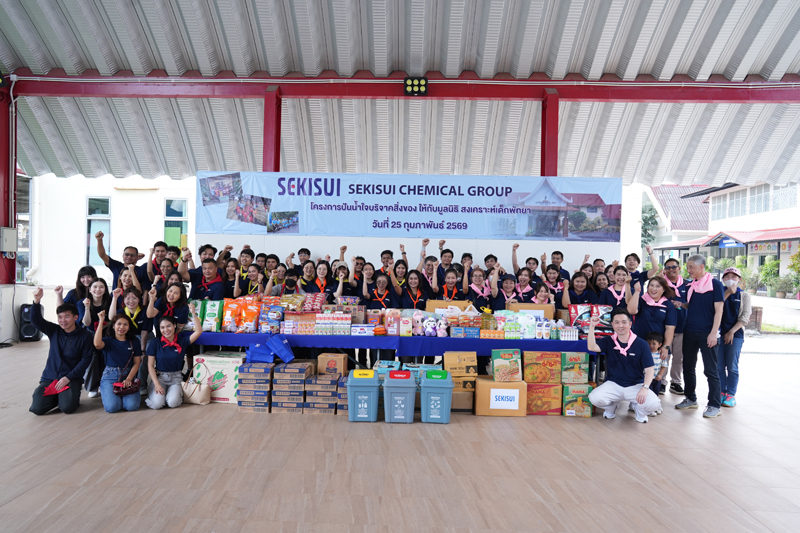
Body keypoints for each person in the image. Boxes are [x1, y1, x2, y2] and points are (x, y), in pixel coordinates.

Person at [29, 288, 95, 416]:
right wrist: (36, 302)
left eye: (67, 317)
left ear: (75, 317)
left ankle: (66, 397)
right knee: (37, 409)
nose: (62, 320)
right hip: (50, 378)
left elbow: (86, 360)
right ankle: (58, 397)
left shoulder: (86, 336)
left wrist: (68, 377)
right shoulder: (54, 330)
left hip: (71, 378)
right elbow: (35, 321)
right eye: (59, 317)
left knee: (67, 408)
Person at [587, 308, 659, 423]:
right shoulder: (608, 341)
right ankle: (611, 407)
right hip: (613, 384)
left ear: (630, 324)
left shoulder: (642, 344)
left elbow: (649, 369)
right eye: (617, 322)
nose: (620, 325)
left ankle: (639, 411)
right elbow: (592, 347)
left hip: (635, 385)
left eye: (624, 322)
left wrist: (645, 388)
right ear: (612, 325)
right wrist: (592, 326)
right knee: (595, 398)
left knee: (654, 404)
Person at [675, 254, 724, 418]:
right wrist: (682, 304)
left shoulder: (715, 285)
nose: (688, 270)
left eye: (691, 267)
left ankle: (714, 405)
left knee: (711, 370)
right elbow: (693, 306)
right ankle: (690, 398)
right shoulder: (691, 285)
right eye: (687, 267)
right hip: (690, 331)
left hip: (708, 333)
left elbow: (719, 310)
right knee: (688, 366)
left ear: (702, 267)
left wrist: (713, 333)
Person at [145, 307, 202, 410]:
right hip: (160, 377)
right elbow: (150, 366)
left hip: (176, 378)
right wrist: (157, 384)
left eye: (168, 326)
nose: (166, 330)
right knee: (157, 404)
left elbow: (198, 331)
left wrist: (193, 313)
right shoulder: (155, 343)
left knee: (173, 403)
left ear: (174, 325)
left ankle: (170, 395)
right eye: (162, 327)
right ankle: (156, 393)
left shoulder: (182, 341)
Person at [93, 311, 142, 413]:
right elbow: (97, 344)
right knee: (112, 408)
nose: (122, 327)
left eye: (125, 324)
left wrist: (129, 379)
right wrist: (101, 321)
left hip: (128, 374)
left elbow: (137, 363)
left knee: (131, 406)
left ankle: (121, 395)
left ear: (129, 327)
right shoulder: (107, 340)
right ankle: (113, 395)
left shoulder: (134, 341)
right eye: (119, 324)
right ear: (113, 326)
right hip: (110, 375)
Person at [719, 267, 752, 408]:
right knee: (719, 366)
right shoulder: (719, 293)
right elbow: (713, 310)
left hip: (736, 335)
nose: (730, 279)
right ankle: (721, 392)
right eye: (727, 276)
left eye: (734, 276)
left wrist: (731, 331)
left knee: (732, 366)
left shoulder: (744, 296)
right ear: (722, 279)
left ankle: (731, 394)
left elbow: (745, 317)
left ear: (739, 279)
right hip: (718, 335)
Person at [627, 276, 676, 369]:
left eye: (658, 286)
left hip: (657, 347)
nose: (654, 288)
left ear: (664, 289)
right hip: (640, 344)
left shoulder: (668, 305)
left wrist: (665, 346)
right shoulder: (641, 300)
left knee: (658, 374)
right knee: (638, 372)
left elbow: (670, 328)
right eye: (651, 285)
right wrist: (637, 292)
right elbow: (631, 311)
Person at [662, 258, 689, 395]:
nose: (671, 270)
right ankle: (661, 381)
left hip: (682, 327)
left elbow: (693, 303)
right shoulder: (661, 284)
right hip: (665, 327)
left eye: (674, 267)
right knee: (664, 356)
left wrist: (682, 305)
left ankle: (676, 382)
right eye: (668, 267)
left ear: (679, 268)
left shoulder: (688, 285)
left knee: (679, 358)